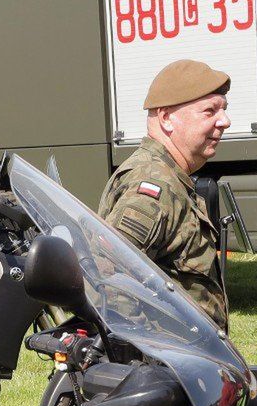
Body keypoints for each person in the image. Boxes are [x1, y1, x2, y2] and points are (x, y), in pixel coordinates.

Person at [96, 59, 232, 329]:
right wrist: (150, 347)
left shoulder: (169, 176)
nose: (225, 121)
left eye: (224, 110)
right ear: (166, 118)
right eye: (210, 111)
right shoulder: (153, 185)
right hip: (169, 354)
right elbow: (110, 279)